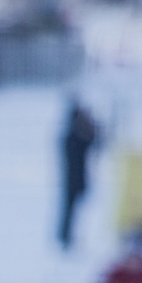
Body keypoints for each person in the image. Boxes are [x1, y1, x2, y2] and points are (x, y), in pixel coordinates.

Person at [59, 98, 101, 251]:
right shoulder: (73, 138)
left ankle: (67, 236)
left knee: (70, 210)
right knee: (70, 209)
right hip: (74, 179)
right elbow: (91, 142)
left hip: (74, 179)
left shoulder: (70, 137)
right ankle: (66, 236)